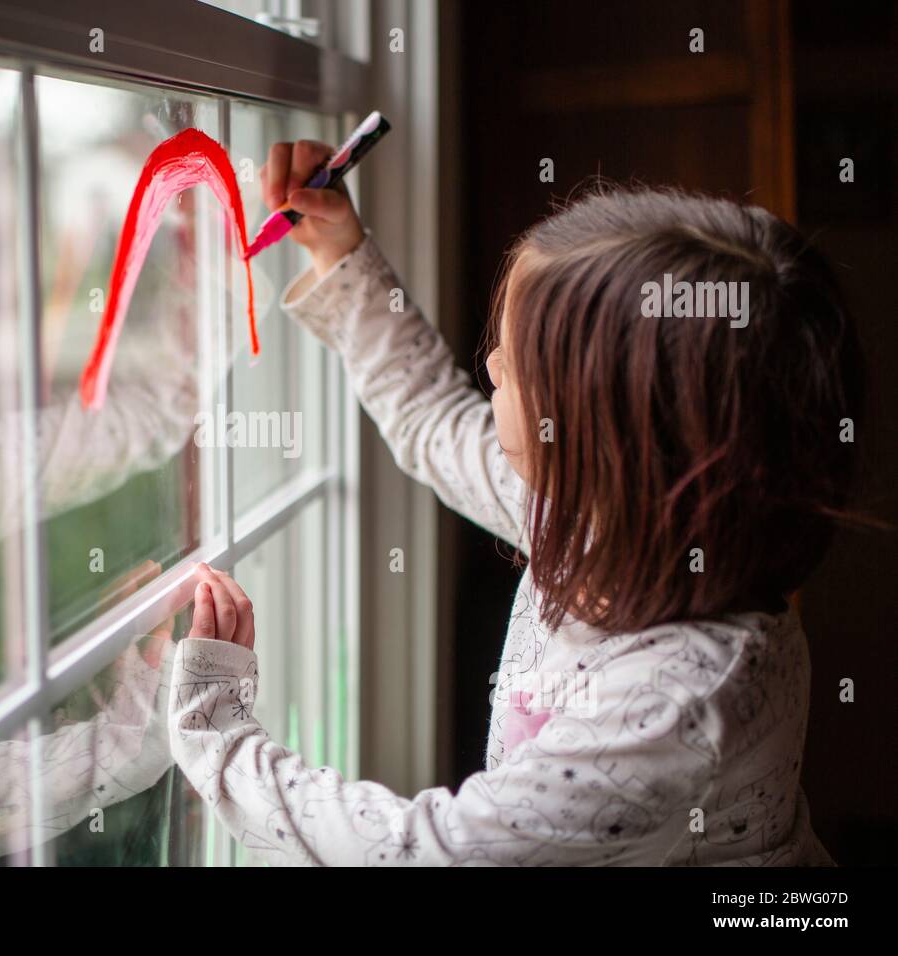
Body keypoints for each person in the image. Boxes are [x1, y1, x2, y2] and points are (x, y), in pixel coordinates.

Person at [166, 139, 865, 866]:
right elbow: (433, 421)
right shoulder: (601, 512)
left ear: (607, 438)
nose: (491, 365)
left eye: (515, 364)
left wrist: (218, 734)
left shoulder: (681, 697)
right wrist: (342, 253)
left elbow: (430, 856)